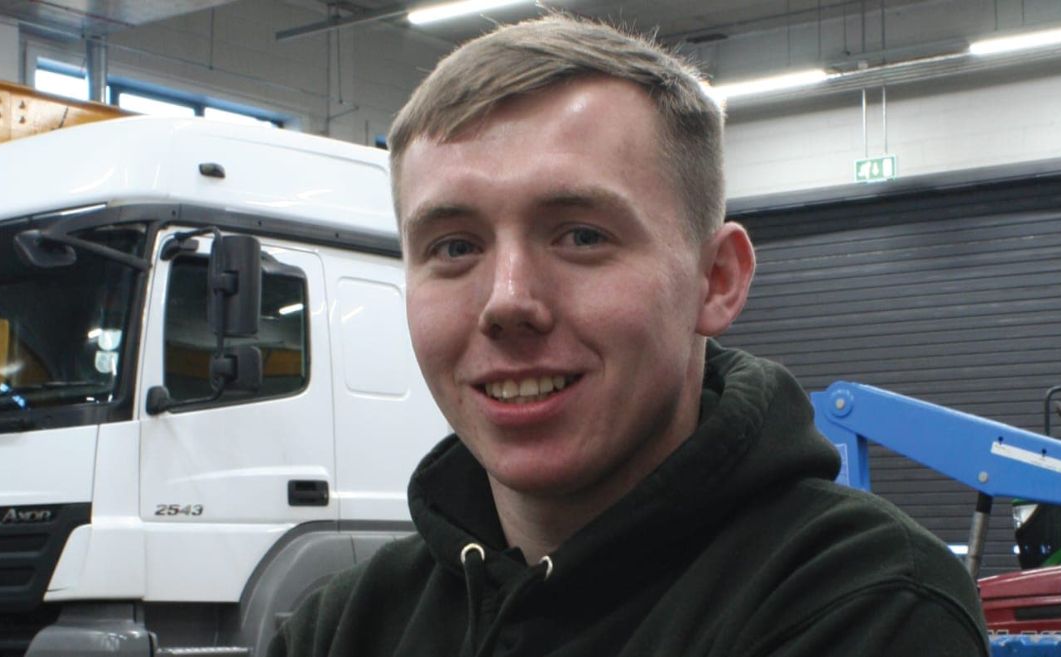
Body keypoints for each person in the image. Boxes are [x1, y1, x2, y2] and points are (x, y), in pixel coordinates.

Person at [269, 14, 989, 657]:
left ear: (716, 280)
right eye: (455, 247)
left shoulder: (864, 603)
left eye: (581, 235)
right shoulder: (342, 624)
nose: (508, 299)